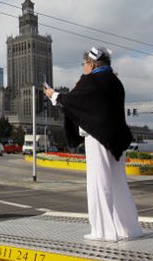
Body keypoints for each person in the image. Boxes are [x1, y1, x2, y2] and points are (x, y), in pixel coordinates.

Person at [43, 46, 142, 242]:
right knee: (118, 184)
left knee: (99, 183)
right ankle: (129, 229)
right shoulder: (115, 81)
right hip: (116, 139)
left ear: (92, 63)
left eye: (84, 64)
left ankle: (102, 232)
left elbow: (74, 101)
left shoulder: (92, 80)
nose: (83, 68)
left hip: (97, 138)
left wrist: (53, 95)